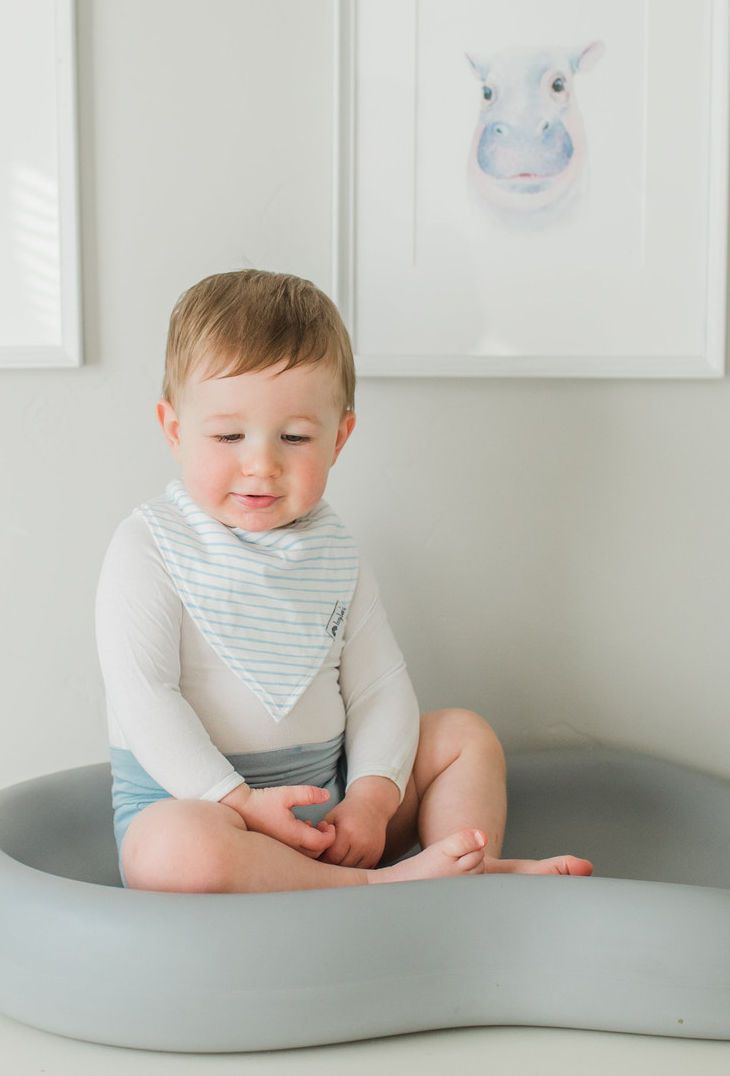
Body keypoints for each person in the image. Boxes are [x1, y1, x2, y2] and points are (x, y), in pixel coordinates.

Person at [96, 269, 593, 892]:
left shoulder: (333, 554)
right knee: (170, 852)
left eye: (296, 437)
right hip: (211, 813)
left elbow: (380, 689)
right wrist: (237, 801)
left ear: (339, 438)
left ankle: (467, 869)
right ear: (174, 430)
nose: (261, 463)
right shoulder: (149, 546)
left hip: (336, 815)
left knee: (465, 736)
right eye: (228, 435)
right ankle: (375, 890)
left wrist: (371, 799)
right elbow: (144, 697)